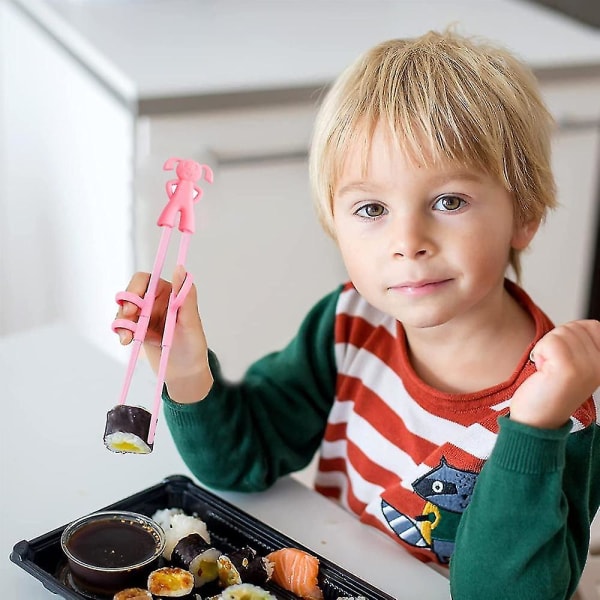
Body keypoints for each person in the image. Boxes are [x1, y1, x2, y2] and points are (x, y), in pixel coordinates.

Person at [114, 30, 600, 599]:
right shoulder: (350, 322)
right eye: (372, 208)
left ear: (525, 214)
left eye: (449, 202)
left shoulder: (563, 406)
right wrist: (187, 369)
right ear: (334, 227)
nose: (408, 241)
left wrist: (533, 428)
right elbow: (242, 462)